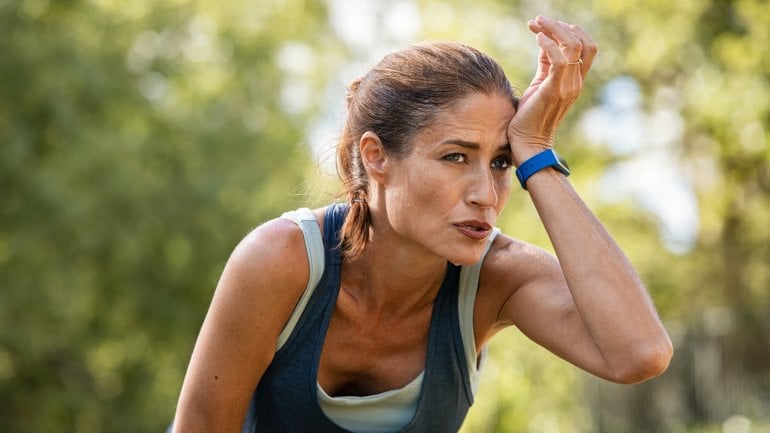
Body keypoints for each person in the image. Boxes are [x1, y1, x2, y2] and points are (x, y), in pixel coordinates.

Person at [169, 15, 673, 433]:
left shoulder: (497, 278)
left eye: (500, 162)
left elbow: (639, 353)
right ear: (377, 157)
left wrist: (536, 153)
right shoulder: (283, 262)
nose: (486, 194)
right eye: (456, 157)